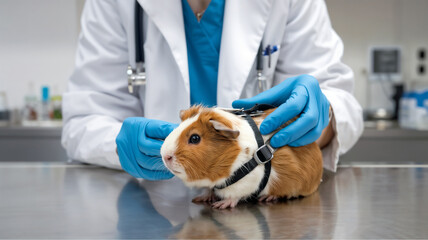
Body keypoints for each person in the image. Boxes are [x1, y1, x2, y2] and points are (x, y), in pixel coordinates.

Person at [62, 0, 363, 180]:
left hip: (260, 205)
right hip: (148, 205)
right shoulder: (114, 4)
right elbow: (83, 121)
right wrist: (119, 145)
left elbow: (339, 100)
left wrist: (320, 116)